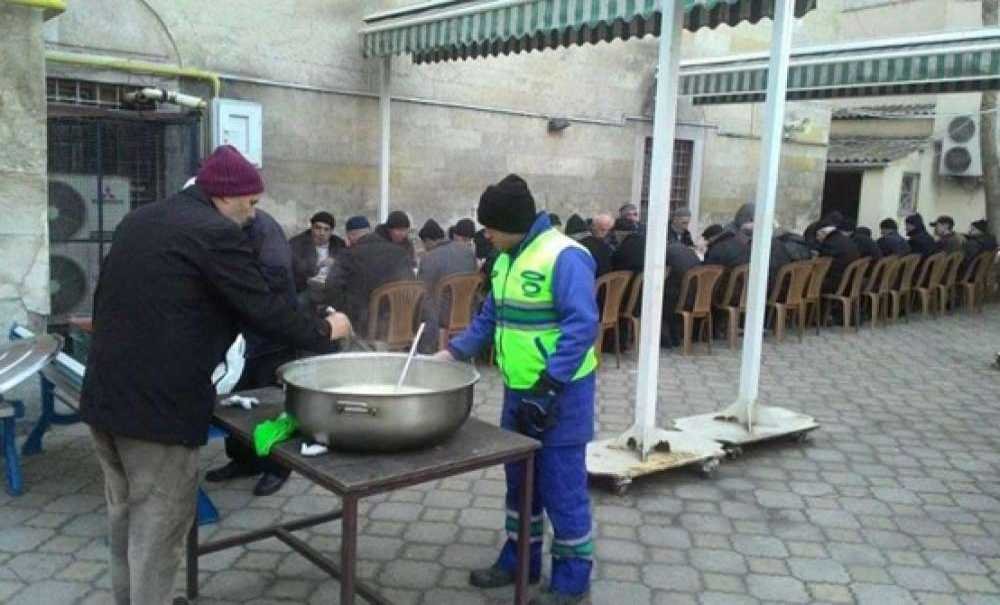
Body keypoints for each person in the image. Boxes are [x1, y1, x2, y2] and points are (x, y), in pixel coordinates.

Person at [79, 145, 352, 605]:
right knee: (156, 533)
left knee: (124, 518)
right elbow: (262, 308)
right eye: (251, 203)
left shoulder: (142, 220)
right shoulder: (215, 233)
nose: (252, 214)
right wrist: (326, 329)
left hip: (104, 397)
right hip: (156, 412)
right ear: (225, 197)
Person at [434, 174, 597, 605]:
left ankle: (572, 576)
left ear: (513, 225)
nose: (485, 235)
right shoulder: (504, 260)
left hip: (562, 395)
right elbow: (489, 319)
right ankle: (519, 558)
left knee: (561, 486)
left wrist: (550, 383)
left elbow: (583, 325)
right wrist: (451, 356)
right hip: (518, 391)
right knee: (520, 481)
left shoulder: (565, 257)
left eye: (490, 228)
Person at [205, 208, 302, 497]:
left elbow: (275, 279)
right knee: (235, 402)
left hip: (271, 334)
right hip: (241, 335)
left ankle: (276, 467)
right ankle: (243, 461)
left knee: (270, 404)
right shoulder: (223, 224)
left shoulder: (263, 230)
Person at [322, 211, 415, 337]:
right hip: (398, 323)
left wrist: (344, 312)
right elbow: (411, 286)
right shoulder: (400, 252)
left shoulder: (349, 255)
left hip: (362, 326)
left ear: (352, 236)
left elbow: (331, 286)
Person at [417, 218, 476, 352]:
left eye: (423, 244)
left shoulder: (429, 258)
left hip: (443, 316)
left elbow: (423, 288)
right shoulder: (468, 252)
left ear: (428, 241)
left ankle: (427, 349)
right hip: (468, 311)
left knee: (424, 303)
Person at [289, 211, 346, 293]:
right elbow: (295, 269)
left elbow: (346, 266)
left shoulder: (338, 244)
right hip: (305, 288)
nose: (322, 233)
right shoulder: (297, 243)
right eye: (318, 228)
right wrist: (318, 265)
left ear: (331, 231)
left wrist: (336, 262)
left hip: (332, 288)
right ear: (311, 228)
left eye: (326, 229)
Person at [816, 215, 861, 292]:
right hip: (851, 281)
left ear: (823, 233)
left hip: (837, 284)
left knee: (804, 282)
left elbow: (820, 267)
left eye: (817, 235)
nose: (817, 238)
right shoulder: (847, 240)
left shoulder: (829, 244)